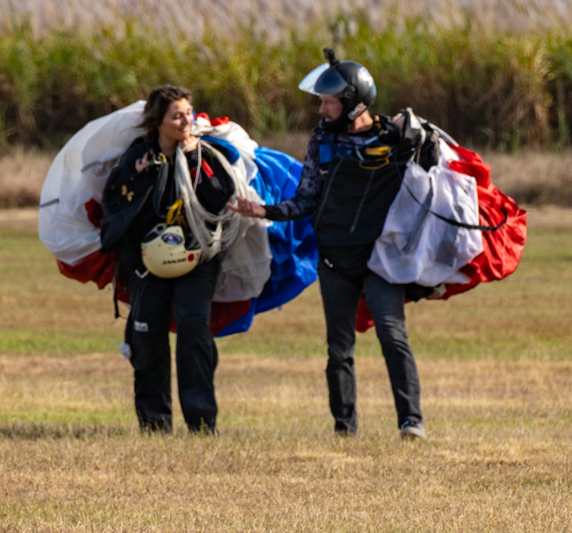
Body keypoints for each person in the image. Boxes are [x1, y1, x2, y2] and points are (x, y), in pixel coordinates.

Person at [228, 49, 427, 440]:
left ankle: (411, 421)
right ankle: (344, 428)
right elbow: (306, 200)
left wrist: (414, 130)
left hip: (380, 259)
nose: (321, 110)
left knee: (392, 334)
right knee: (339, 347)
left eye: (328, 102)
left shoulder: (395, 139)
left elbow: (429, 182)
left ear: (353, 103)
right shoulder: (322, 141)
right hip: (335, 259)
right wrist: (264, 210)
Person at [98, 84, 254, 433]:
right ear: (158, 121)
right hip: (146, 263)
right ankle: (154, 422)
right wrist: (141, 178)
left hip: (197, 260)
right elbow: (117, 205)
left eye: (188, 114)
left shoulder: (205, 156)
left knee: (194, 331)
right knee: (147, 335)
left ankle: (202, 421)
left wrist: (194, 159)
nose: (185, 121)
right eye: (177, 116)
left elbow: (220, 200)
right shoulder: (137, 158)